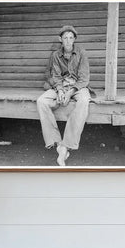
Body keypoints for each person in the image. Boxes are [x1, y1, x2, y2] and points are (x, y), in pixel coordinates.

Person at [37, 25, 92, 167]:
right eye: (65, 38)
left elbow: (84, 79)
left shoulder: (82, 53)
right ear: (60, 39)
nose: (68, 41)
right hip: (60, 86)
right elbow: (54, 76)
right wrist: (61, 91)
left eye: (71, 38)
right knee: (41, 101)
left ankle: (67, 144)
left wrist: (70, 92)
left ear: (74, 39)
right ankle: (56, 142)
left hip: (77, 87)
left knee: (84, 101)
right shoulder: (56, 55)